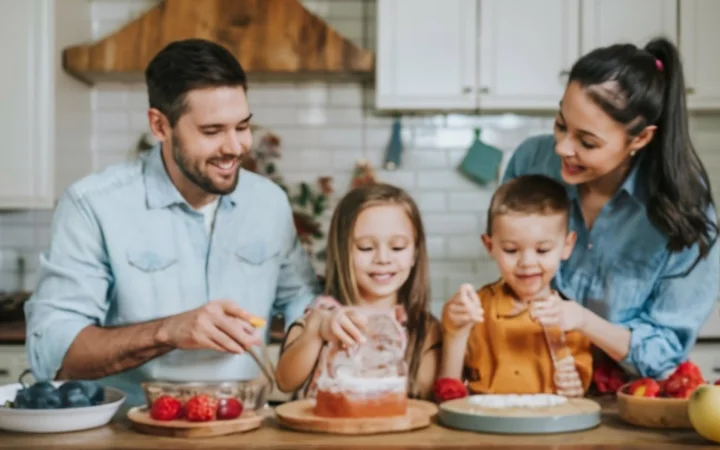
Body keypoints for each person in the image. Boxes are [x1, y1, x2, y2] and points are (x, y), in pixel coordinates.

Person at [24, 39, 320, 405]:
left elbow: (299, 301)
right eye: (212, 132)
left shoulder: (268, 202)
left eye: (242, 126)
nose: (235, 147)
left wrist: (324, 319)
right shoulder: (93, 205)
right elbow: (53, 353)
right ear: (160, 125)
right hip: (130, 433)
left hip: (244, 427)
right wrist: (169, 331)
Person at [502, 37, 719, 381]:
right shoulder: (531, 161)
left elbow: (665, 351)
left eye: (587, 142)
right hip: (539, 378)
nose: (562, 147)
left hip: (633, 396)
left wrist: (584, 323)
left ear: (640, 139)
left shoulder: (684, 207)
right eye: (560, 124)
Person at [275, 183, 442, 400]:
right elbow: (284, 381)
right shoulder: (319, 316)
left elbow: (428, 398)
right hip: (327, 434)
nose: (383, 258)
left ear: (415, 253)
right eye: (366, 247)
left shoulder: (425, 328)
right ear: (342, 251)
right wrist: (316, 330)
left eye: (397, 247)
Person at [440, 175, 593, 397]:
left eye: (542, 250)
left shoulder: (572, 319)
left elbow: (577, 395)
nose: (527, 263)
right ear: (489, 246)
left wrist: (573, 389)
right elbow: (448, 391)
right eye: (511, 250)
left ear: (567, 246)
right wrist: (457, 332)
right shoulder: (476, 309)